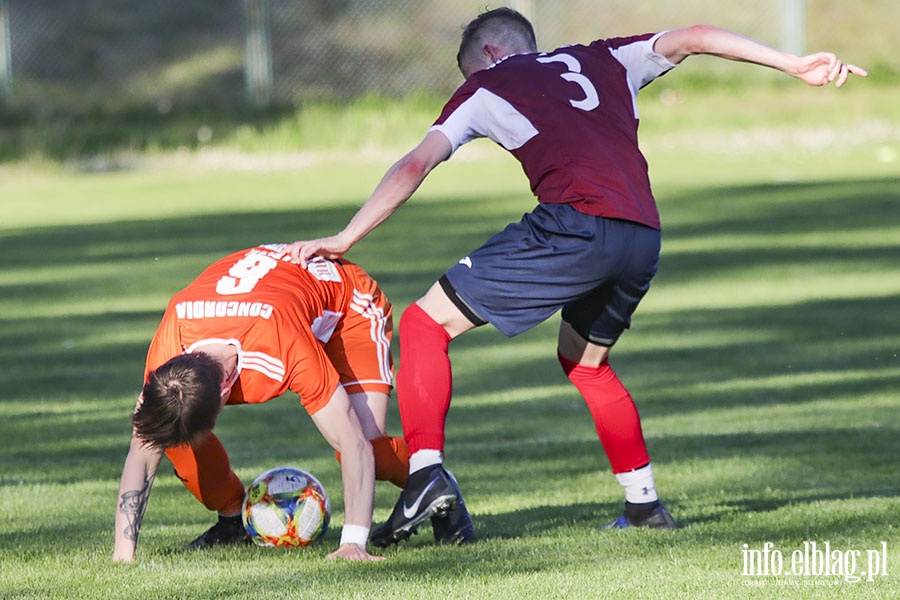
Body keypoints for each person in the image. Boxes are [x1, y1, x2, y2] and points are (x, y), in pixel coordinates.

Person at [288, 9, 867, 546]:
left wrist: (344, 239)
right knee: (586, 362)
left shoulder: (485, 86)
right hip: (641, 233)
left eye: (467, 72)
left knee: (420, 325)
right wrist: (792, 63)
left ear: (489, 53)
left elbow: (416, 162)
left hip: (575, 224)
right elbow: (694, 37)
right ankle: (644, 505)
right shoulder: (606, 57)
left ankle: (425, 475)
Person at [113, 243, 413, 562]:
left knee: (372, 451)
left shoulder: (281, 344)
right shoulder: (172, 345)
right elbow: (144, 445)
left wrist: (353, 542)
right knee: (171, 432)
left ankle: (428, 478)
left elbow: (353, 442)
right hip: (271, 300)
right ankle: (234, 520)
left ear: (228, 389)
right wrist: (123, 554)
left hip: (347, 307)